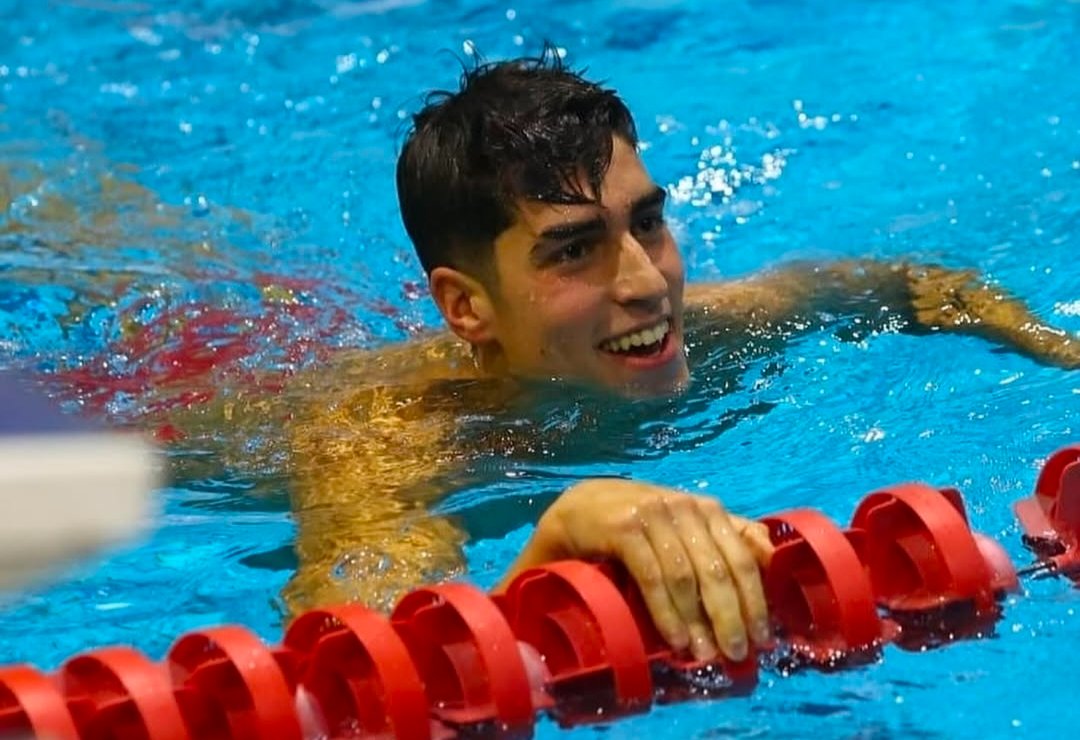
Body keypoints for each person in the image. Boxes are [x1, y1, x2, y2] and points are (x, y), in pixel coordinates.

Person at [270, 51, 1080, 666]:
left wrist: (1057, 350)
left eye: (648, 223)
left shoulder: (729, 321)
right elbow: (365, 664)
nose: (645, 280)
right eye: (575, 250)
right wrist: (555, 540)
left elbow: (913, 285)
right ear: (466, 308)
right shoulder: (381, 444)